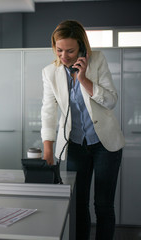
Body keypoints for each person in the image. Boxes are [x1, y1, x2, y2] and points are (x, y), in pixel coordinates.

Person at [41, 20, 125, 240]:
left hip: (105, 145)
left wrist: (83, 78)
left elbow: (111, 101)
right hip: (75, 145)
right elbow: (48, 111)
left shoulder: (97, 60)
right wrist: (48, 148)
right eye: (59, 50)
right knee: (79, 205)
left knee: (103, 205)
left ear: (81, 47)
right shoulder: (50, 72)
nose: (64, 56)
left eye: (70, 50)